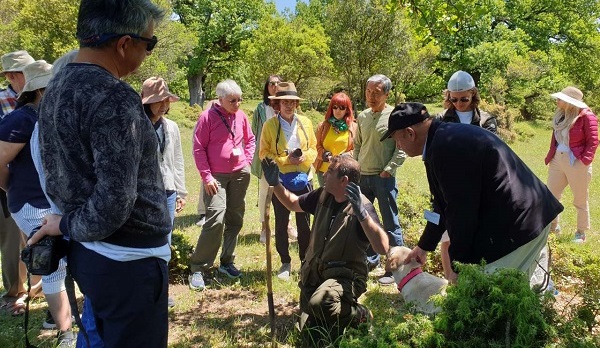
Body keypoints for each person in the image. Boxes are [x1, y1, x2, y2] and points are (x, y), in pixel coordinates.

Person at [32, 1, 172, 346]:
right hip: (128, 263)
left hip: (94, 255)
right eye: (148, 44)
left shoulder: (58, 85)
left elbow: (54, 170)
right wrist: (66, 224)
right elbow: (114, 201)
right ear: (124, 43)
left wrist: (67, 223)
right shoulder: (113, 96)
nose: (148, 54)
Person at [383, 102, 563, 284]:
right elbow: (441, 205)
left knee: (494, 294)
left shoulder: (446, 148)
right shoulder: (439, 141)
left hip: (520, 224)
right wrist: (423, 247)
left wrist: (459, 266)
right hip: (526, 215)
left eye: (397, 140)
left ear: (410, 133)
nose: (398, 147)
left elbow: (461, 212)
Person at [261, 155, 388, 346]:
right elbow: (293, 203)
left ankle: (359, 315)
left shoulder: (362, 207)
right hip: (315, 274)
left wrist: (362, 216)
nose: (324, 174)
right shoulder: (323, 195)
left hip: (345, 277)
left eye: (330, 172)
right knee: (309, 334)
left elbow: (383, 247)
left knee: (322, 304)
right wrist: (276, 183)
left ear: (343, 180)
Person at [0, 60, 75, 346]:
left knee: (63, 262)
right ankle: (66, 335)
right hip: (32, 204)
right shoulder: (20, 119)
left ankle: (57, 318)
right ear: (40, 90)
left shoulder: (48, 116)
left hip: (53, 202)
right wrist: (13, 188)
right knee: (52, 263)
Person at [189, 79, 255, 290]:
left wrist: (247, 160)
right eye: (232, 100)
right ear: (220, 99)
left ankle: (227, 262)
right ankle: (198, 268)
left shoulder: (241, 116)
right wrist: (206, 176)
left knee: (235, 218)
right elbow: (199, 148)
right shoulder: (207, 117)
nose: (237, 104)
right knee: (216, 217)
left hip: (239, 173)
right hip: (216, 176)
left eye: (239, 100)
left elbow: (250, 139)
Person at [437, 70, 498, 282]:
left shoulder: (487, 120)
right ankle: (450, 280)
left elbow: (492, 153)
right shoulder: (442, 119)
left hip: (480, 186)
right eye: (454, 99)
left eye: (464, 98)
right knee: (447, 234)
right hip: (451, 185)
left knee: (477, 234)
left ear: (473, 94)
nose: (459, 103)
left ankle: (474, 278)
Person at [259, 82, 317, 280]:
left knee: (304, 224)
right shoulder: (270, 126)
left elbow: (314, 149)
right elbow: (263, 154)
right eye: (285, 102)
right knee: (282, 222)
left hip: (304, 180)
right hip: (281, 181)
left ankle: (305, 261)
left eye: (292, 102)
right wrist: (285, 160)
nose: (289, 106)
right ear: (277, 104)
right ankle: (285, 261)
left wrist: (304, 158)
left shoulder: (306, 123)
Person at [353, 74, 406, 285]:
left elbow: (401, 148)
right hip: (363, 177)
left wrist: (388, 170)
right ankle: (369, 261)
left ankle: (394, 268)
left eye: (376, 92)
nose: (371, 96)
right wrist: (355, 167)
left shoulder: (394, 116)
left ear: (386, 94)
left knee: (390, 222)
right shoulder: (364, 116)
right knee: (365, 221)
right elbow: (357, 145)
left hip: (383, 178)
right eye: (368, 92)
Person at [142, 76, 187, 307]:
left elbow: (177, 160)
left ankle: (162, 289)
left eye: (166, 99)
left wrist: (181, 191)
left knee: (164, 241)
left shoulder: (172, 127)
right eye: (157, 100)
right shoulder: (137, 125)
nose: (162, 104)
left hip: (168, 190)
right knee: (143, 241)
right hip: (144, 193)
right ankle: (143, 288)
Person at [0, 50, 39, 315]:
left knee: (34, 236)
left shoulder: (38, 98)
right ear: (12, 75)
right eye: (25, 73)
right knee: (11, 241)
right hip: (5, 179)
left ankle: (38, 286)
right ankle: (15, 292)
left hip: (31, 179)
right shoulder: (2, 100)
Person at [545, 86, 598, 243]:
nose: (557, 100)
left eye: (560, 99)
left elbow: (593, 141)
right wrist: (552, 155)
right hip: (557, 159)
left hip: (576, 161)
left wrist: (583, 162)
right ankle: (553, 227)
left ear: (569, 102)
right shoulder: (561, 115)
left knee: (580, 199)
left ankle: (581, 232)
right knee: (551, 195)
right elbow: (555, 137)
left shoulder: (587, 116)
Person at [314, 92, 357, 187]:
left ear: (347, 110)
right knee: (325, 199)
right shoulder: (323, 126)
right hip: (324, 171)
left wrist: (343, 157)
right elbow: (315, 146)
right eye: (335, 107)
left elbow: (357, 149)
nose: (338, 110)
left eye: (342, 108)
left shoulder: (354, 127)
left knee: (342, 199)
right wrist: (325, 155)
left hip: (344, 172)